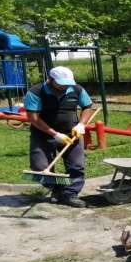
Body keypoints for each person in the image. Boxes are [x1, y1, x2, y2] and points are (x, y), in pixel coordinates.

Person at [24, 66, 95, 208]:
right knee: (39, 167)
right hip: (43, 135)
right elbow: (33, 118)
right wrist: (55, 134)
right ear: (50, 79)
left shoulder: (76, 89)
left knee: (77, 165)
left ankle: (70, 194)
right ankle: (57, 190)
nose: (64, 86)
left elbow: (87, 107)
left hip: (72, 135)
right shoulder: (36, 92)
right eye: (60, 84)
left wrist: (81, 125)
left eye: (67, 84)